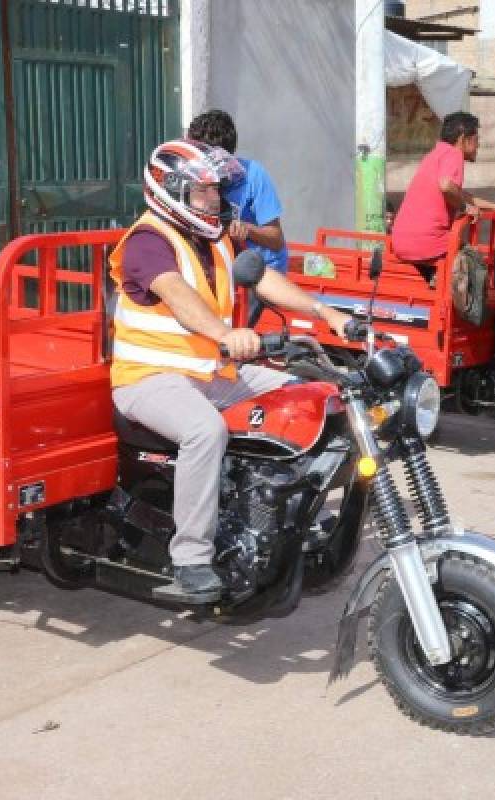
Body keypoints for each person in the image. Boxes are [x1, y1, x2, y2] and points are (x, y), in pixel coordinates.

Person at [109, 139, 353, 602]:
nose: (215, 201)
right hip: (148, 378)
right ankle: (190, 560)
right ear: (171, 189)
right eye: (204, 192)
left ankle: (287, 515)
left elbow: (262, 277)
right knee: (205, 432)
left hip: (214, 373)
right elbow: (177, 295)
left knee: (309, 396)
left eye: (217, 191)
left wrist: (326, 313)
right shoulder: (148, 241)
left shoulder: (215, 236)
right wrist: (224, 334)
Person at [186, 109, 287, 325]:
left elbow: (276, 239)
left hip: (257, 275)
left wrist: (246, 230)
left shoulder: (253, 176)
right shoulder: (195, 176)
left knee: (229, 332)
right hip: (220, 266)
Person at [391, 111, 495, 281]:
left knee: (461, 259)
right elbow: (446, 186)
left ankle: (434, 280)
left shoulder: (435, 155)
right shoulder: (454, 154)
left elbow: (459, 193)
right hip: (428, 244)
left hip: (400, 242)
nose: (478, 145)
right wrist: (465, 208)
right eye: (476, 139)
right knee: (477, 264)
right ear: (463, 139)